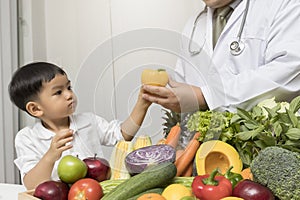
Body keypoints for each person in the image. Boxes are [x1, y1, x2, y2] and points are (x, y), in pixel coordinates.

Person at [9, 62, 151, 189]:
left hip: (95, 193)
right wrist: (51, 155)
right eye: (58, 92)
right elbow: (31, 184)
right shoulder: (27, 138)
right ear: (36, 109)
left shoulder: (88, 121)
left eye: (69, 87)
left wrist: (142, 105)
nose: (69, 95)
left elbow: (122, 135)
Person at [142, 0, 300, 113]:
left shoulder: (284, 5)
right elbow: (185, 82)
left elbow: (288, 71)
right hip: (205, 147)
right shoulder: (194, 23)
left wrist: (206, 97)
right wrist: (168, 91)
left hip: (262, 144)